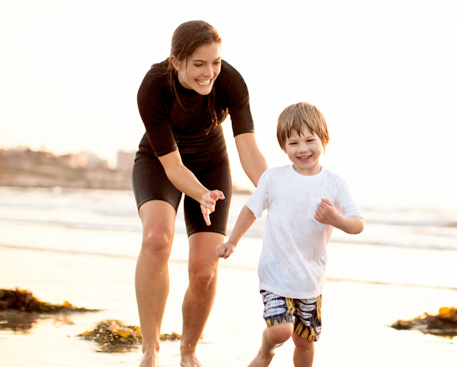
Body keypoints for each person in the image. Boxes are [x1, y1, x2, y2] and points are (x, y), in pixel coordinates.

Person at [132, 20, 267, 367]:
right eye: (199, 64)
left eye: (216, 62)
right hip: (161, 163)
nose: (210, 73)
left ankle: (188, 351)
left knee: (204, 271)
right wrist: (201, 193)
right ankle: (151, 349)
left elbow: (248, 150)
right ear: (176, 61)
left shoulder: (232, 82)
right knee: (157, 238)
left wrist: (275, 192)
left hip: (211, 162)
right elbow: (174, 167)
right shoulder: (153, 87)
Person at [217, 102, 364, 367]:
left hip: (311, 279)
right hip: (275, 274)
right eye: (293, 143)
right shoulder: (274, 178)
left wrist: (336, 219)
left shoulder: (334, 183)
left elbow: (357, 224)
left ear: (325, 140)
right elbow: (251, 210)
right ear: (283, 147)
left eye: (310, 140)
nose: (303, 149)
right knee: (281, 331)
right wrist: (232, 241)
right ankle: (266, 351)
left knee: (304, 341)